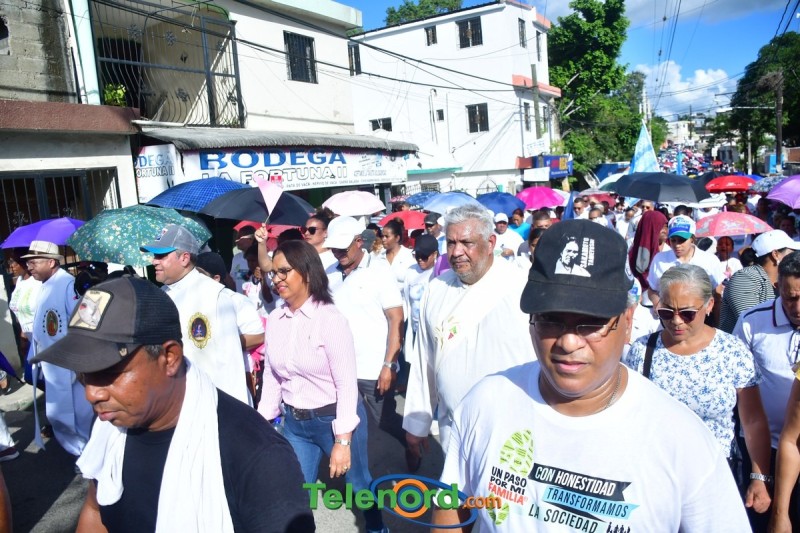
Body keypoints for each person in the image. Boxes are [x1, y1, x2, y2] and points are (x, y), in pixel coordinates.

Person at [433, 220, 749, 531]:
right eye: (550, 318)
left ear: (627, 321)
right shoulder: (485, 404)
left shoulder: (684, 442)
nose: (569, 341)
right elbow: (452, 511)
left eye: (592, 322)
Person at [30, 276, 314, 532]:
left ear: (169, 358)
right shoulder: (111, 426)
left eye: (109, 372)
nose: (92, 394)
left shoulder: (256, 455)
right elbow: (95, 509)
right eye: (83, 374)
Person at [257, 240, 387, 533]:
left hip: (334, 419)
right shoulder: (275, 319)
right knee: (295, 491)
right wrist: (262, 422)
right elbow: (272, 376)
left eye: (284, 271)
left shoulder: (330, 319)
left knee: (358, 484)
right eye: (274, 273)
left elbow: (346, 384)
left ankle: (377, 527)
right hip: (295, 425)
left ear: (306, 272)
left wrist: (343, 442)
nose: (276, 279)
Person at [624, 264, 771, 513]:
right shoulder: (643, 350)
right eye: (666, 312)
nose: (676, 321)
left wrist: (759, 478)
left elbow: (753, 421)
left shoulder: (732, 352)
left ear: (709, 305)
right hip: (655, 475)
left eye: (688, 313)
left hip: (716, 475)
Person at [404, 204, 535, 460]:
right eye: (451, 243)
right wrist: (417, 423)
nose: (456, 252)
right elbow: (424, 360)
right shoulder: (436, 289)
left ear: (490, 243)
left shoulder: (520, 286)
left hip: (511, 432)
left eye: (467, 243)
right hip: (453, 430)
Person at [141, 224, 250, 405]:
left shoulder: (215, 296)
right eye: (154, 256)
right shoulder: (161, 296)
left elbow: (232, 365)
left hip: (210, 403)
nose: (154, 261)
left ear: (184, 258)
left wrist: (235, 415)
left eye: (161, 256)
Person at [323, 216, 407, 447]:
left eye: (343, 248)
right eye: (334, 248)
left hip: (373, 368)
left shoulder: (379, 270)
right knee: (345, 423)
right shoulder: (329, 271)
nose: (338, 253)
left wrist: (389, 365)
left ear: (359, 241)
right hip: (339, 366)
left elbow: (396, 318)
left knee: (384, 420)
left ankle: (412, 443)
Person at [734, 251, 800, 530]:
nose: (798, 307)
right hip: (763, 451)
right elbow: (738, 393)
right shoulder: (752, 322)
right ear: (777, 287)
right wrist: (758, 474)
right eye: (791, 298)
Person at [24, 240, 93, 457]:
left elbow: (83, 323)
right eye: (28, 262)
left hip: (71, 365)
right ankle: (81, 454)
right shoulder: (46, 285)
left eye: (34, 262)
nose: (29, 266)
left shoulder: (67, 285)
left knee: (80, 415)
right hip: (53, 364)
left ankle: (88, 456)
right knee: (59, 414)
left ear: (51, 262)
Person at [720, 230, 800, 333]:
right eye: (793, 251)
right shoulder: (745, 278)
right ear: (775, 254)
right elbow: (754, 323)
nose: (795, 256)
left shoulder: (781, 281)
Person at [646, 215, 725, 312]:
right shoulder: (660, 259)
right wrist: (657, 302)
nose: (677, 245)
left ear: (692, 238)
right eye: (673, 240)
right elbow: (652, 289)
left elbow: (717, 292)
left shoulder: (710, 260)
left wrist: (714, 317)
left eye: (682, 240)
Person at [7, 251, 41, 384]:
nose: (11, 266)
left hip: (39, 336)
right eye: (9, 262)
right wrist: (22, 334)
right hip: (27, 336)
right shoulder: (20, 282)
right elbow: (20, 311)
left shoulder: (37, 282)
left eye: (13, 262)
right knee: (32, 377)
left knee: (33, 376)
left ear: (23, 263)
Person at [402, 234, 438, 358]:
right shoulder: (411, 271)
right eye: (417, 255)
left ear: (434, 254)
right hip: (414, 329)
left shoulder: (440, 273)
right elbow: (405, 299)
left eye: (424, 256)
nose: (420, 260)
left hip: (431, 331)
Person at [376, 218, 416, 295]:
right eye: (382, 236)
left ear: (397, 238)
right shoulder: (378, 258)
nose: (383, 239)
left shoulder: (408, 256)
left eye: (387, 236)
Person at [230, 225, 256, 293]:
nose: (236, 240)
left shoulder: (260, 258)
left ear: (251, 238)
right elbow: (233, 279)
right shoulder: (236, 258)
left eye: (239, 237)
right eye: (236, 238)